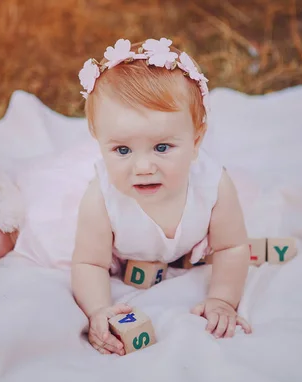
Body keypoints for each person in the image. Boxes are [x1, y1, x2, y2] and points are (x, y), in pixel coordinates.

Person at [71, 38, 252, 356]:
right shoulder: (101, 200)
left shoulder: (213, 186)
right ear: (98, 141)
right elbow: (88, 263)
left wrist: (223, 298)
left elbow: (230, 247)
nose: (143, 167)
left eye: (162, 147)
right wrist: (98, 309)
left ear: (196, 141)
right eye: (122, 150)